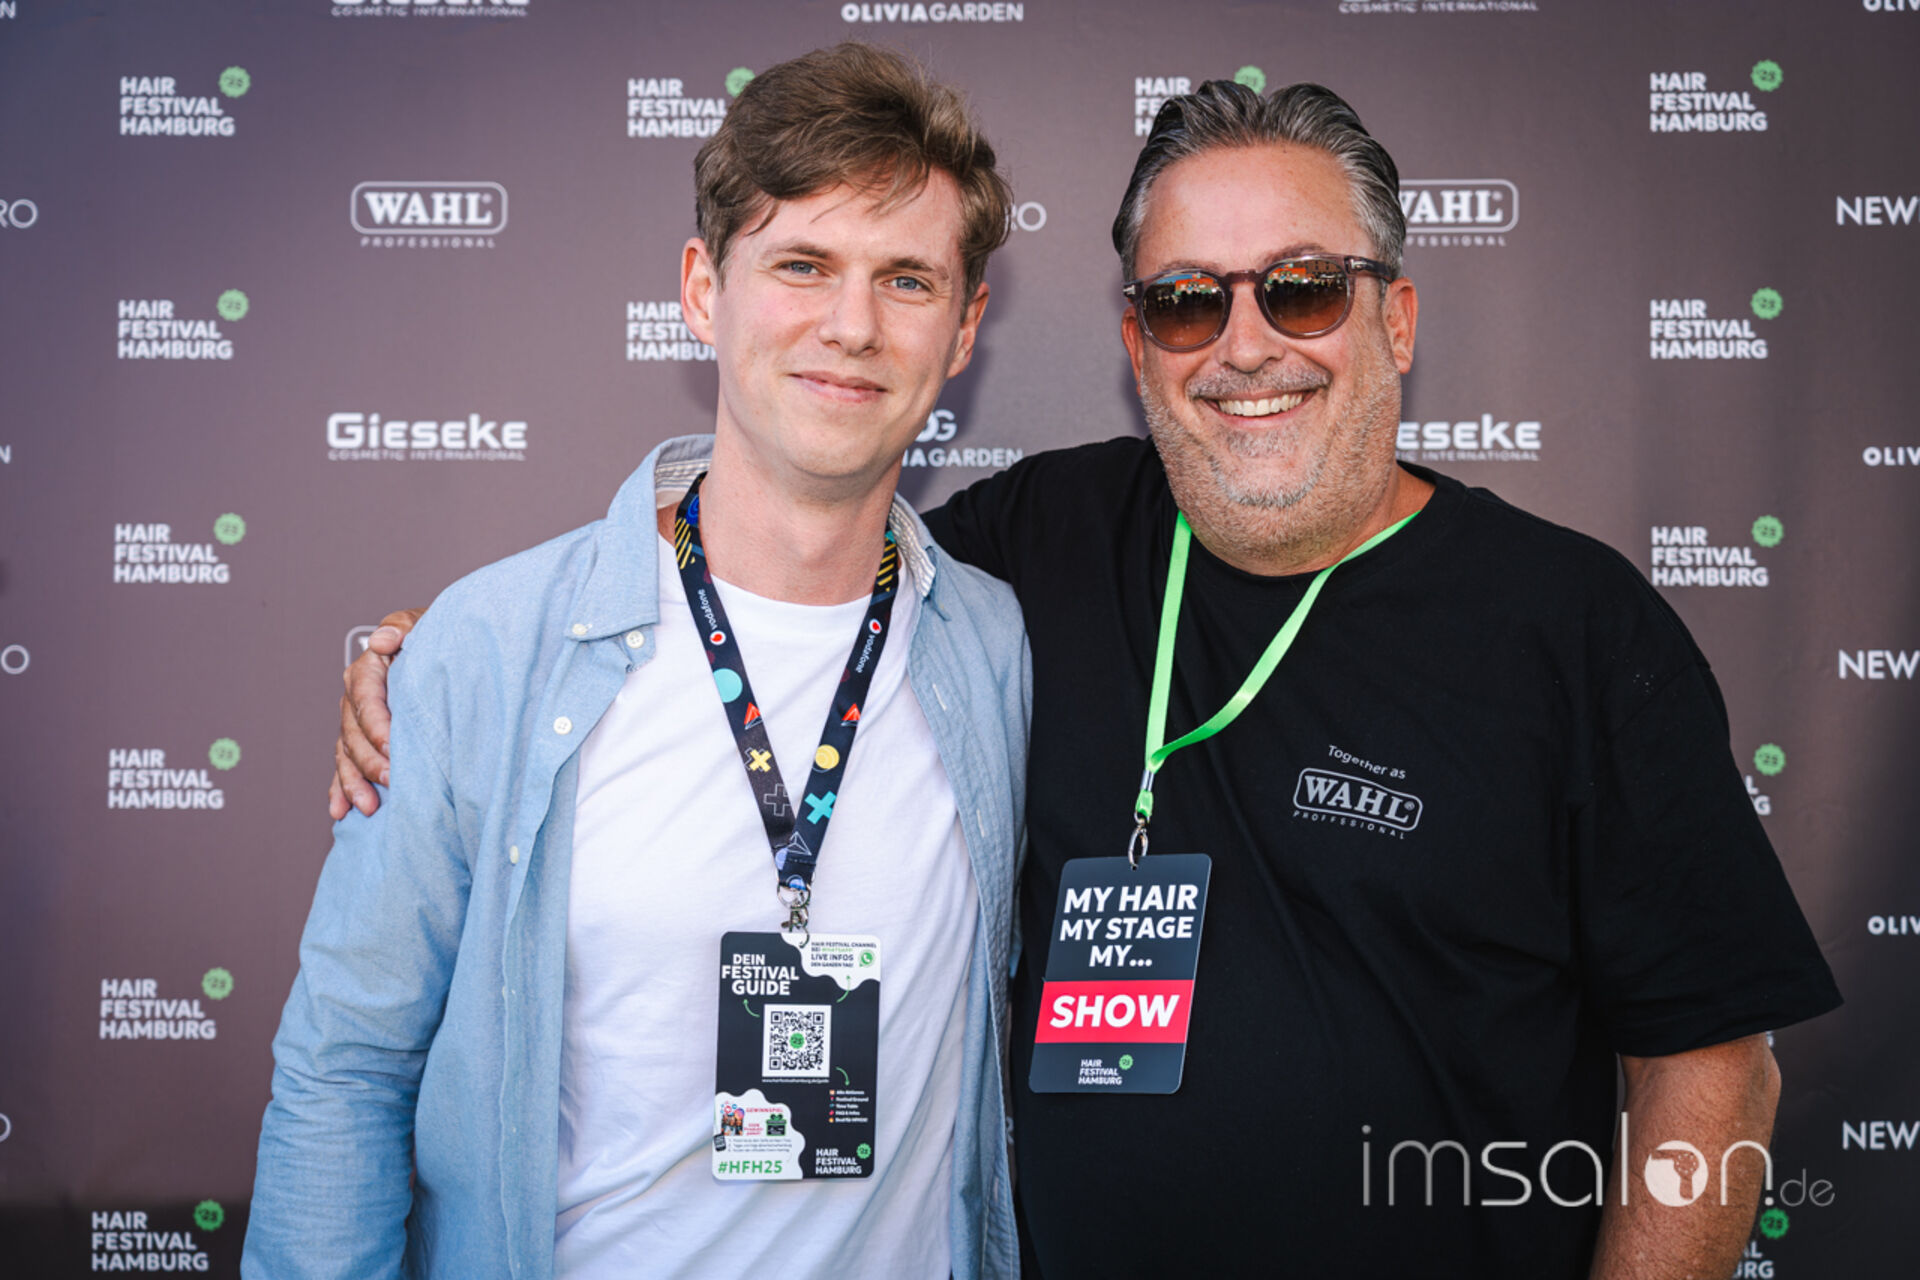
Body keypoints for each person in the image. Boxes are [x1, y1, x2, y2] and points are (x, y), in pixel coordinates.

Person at [332, 81, 1841, 1278]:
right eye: (1187, 299)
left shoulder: (1576, 628)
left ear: (1395, 315)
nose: (1244, 345)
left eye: (1302, 289)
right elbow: (779, 549)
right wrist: (438, 656)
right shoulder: (1023, 555)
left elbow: (1715, 1069)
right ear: (1137, 341)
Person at [251, 44, 1028, 1280]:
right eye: (802, 264)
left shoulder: (993, 646)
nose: (852, 325)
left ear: (965, 328)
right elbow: (346, 1067)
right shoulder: (487, 653)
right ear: (702, 292)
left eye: (907, 279)